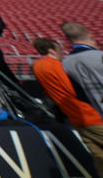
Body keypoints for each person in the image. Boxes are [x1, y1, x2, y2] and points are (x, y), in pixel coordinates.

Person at [32, 37, 103, 175]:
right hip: (90, 115)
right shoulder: (57, 66)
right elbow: (72, 89)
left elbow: (48, 93)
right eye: (60, 49)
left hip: (74, 118)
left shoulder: (37, 66)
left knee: (99, 158)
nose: (63, 53)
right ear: (52, 50)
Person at [61, 22, 103, 117]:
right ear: (91, 36)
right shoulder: (99, 56)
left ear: (68, 40)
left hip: (94, 112)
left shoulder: (65, 63)